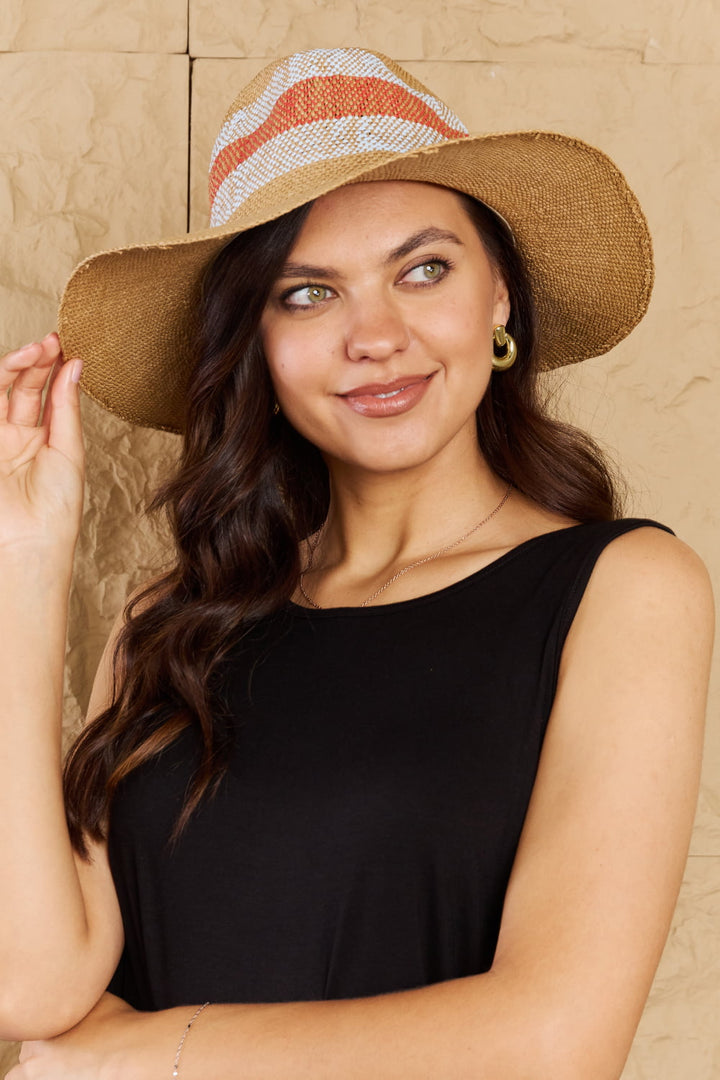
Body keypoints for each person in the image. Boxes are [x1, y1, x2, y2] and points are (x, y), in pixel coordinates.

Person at [0, 47, 713, 1080]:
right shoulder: (172, 623)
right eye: (307, 294)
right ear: (255, 348)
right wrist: (24, 565)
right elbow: (30, 986)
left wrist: (139, 1059)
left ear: (500, 298)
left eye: (424, 270)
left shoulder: (622, 590)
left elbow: (558, 1045)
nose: (375, 335)